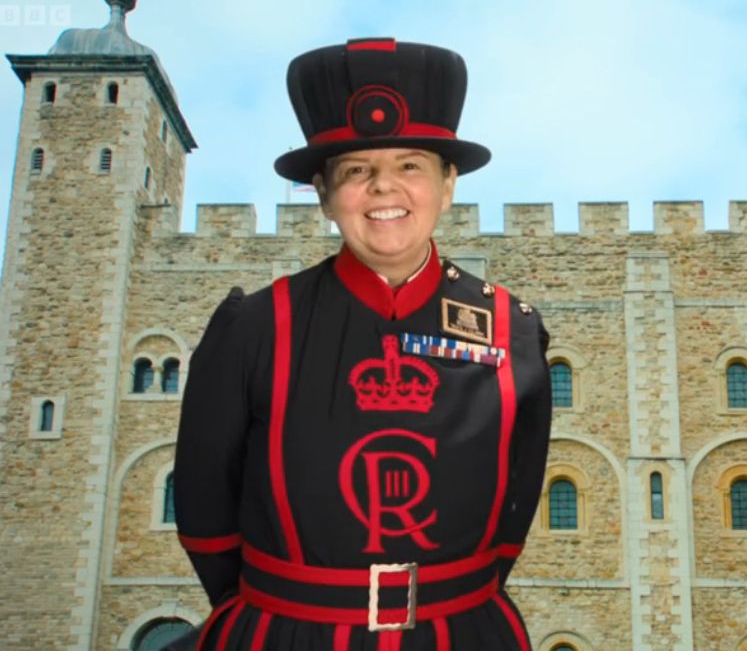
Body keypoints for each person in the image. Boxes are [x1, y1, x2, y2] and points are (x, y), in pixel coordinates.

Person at [173, 37, 552, 650]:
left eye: (410, 165)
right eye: (357, 171)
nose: (384, 188)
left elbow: (514, 514)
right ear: (322, 193)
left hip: (463, 633)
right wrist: (298, 608)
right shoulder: (255, 326)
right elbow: (205, 519)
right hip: (284, 634)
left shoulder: (514, 329)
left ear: (447, 183)